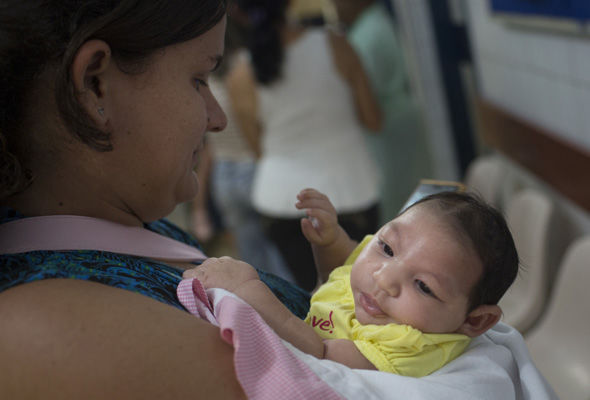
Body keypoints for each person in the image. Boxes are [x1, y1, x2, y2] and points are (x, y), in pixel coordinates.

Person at [0, 1, 312, 398]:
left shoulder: (133, 225)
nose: (218, 118)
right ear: (96, 83)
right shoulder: (47, 333)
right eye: (198, 79)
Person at [184, 188, 519, 377]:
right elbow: (343, 266)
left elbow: (322, 351)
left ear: (476, 320)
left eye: (423, 286)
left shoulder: (410, 344)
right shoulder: (378, 274)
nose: (383, 278)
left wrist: (246, 289)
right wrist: (329, 242)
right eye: (387, 247)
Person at [229, 0, 383, 292]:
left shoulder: (240, 75)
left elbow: (258, 150)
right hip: (349, 191)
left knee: (319, 298)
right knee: (371, 293)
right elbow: (374, 120)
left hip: (280, 203)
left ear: (237, 11)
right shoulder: (336, 45)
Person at [189, 18, 293, 281]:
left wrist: (199, 209)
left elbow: (208, 151)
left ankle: (266, 306)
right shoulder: (246, 68)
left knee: (250, 255)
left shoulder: (202, 79)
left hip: (224, 177)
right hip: (254, 166)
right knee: (281, 251)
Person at [332, 0, 433, 224]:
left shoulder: (368, 34)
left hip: (388, 125)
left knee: (401, 208)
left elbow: (364, 101)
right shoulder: (371, 24)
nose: (334, 7)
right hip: (395, 119)